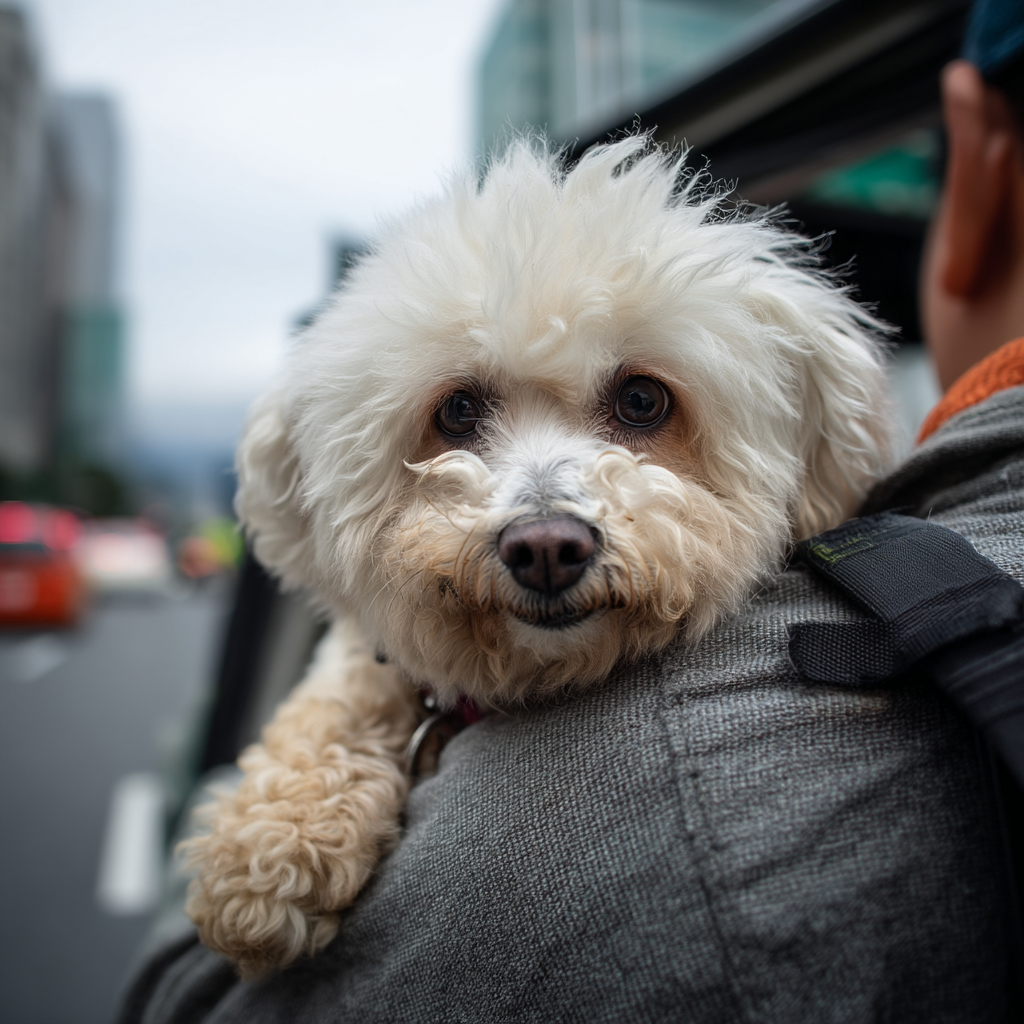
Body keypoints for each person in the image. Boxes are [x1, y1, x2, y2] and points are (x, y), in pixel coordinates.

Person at [119, 2, 1024, 1020]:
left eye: (639, 406)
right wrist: (336, 737)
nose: (542, 521)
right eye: (459, 416)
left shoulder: (662, 831)